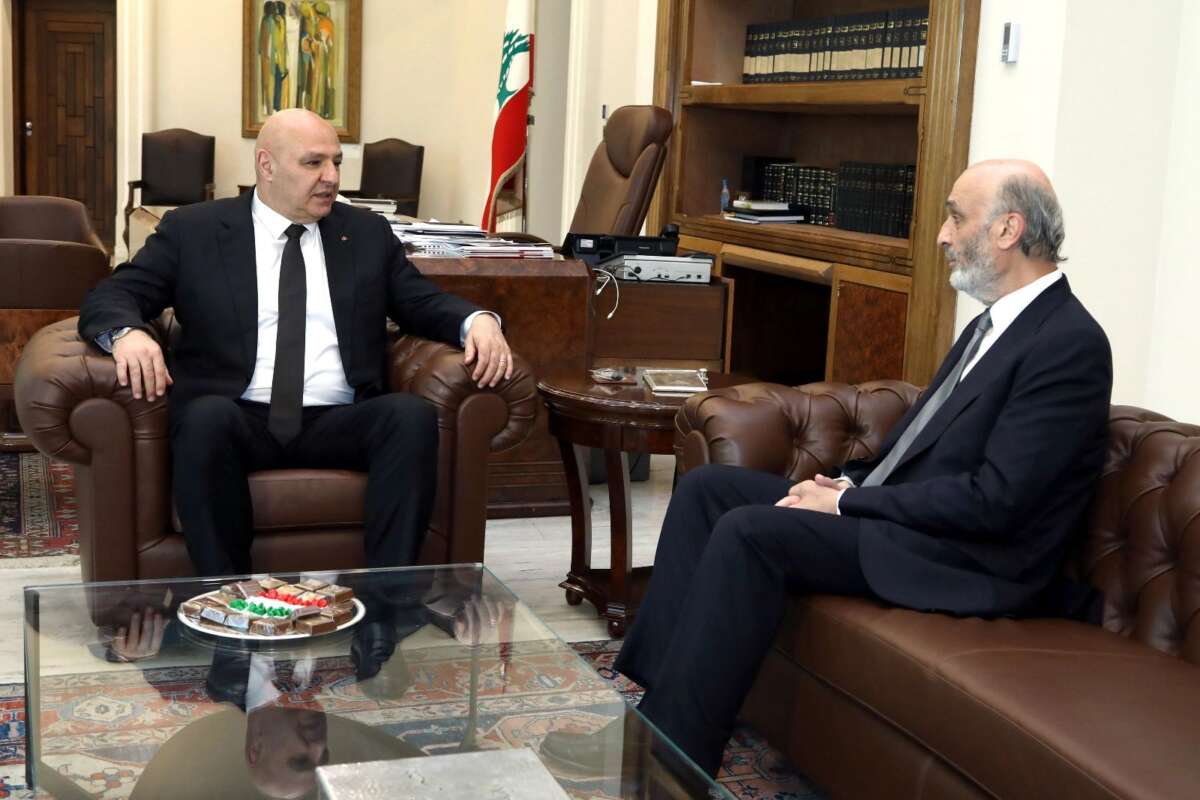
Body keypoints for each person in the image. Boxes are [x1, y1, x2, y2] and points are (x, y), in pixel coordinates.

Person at [540, 159, 1114, 777]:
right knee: (709, 490)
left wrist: (846, 504)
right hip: (912, 525)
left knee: (752, 532)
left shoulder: (1067, 343)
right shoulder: (992, 325)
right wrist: (847, 481)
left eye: (955, 217)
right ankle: (654, 717)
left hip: (969, 559)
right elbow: (922, 447)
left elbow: (997, 501)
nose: (943, 235)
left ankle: (667, 763)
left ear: (1007, 229)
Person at [79, 108, 513, 578]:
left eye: (336, 163)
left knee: (409, 418)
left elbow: (419, 301)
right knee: (204, 420)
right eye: (313, 163)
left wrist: (476, 321)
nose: (331, 177)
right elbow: (114, 294)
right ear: (266, 165)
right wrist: (126, 333)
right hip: (237, 415)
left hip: (339, 417)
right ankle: (228, 597)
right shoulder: (194, 230)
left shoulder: (364, 233)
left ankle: (389, 600)